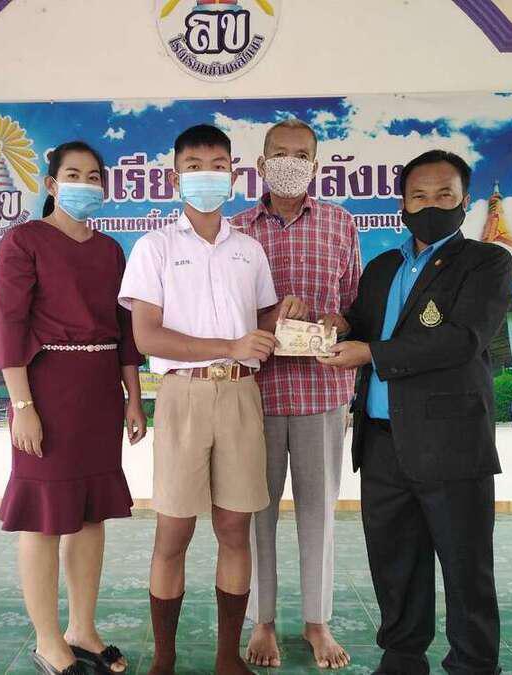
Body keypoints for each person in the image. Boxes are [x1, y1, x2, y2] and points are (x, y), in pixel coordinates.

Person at [119, 124, 307, 675]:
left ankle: (229, 658)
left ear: (233, 174)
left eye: (218, 165)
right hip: (183, 395)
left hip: (242, 395)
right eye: (194, 166)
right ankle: (165, 659)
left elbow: (258, 323)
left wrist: (282, 316)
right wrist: (229, 344)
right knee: (173, 531)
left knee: (233, 529)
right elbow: (147, 337)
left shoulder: (249, 250)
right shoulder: (154, 247)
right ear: (174, 176)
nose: (207, 175)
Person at [319, 150, 512, 675]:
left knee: (465, 563)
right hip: (382, 441)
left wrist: (371, 353)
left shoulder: (486, 263)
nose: (431, 206)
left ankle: (474, 663)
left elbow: (462, 339)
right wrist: (336, 325)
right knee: (394, 561)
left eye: (445, 196)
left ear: (465, 201)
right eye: (419, 196)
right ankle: (403, 656)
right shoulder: (383, 267)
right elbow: (363, 324)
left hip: (451, 442)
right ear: (402, 205)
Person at [0, 141, 148, 675]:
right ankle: (48, 640)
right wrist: (21, 405)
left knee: (91, 514)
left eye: (94, 176)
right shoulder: (23, 241)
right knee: (44, 519)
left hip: (100, 394)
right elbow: (9, 324)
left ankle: (83, 629)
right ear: (52, 185)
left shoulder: (111, 251)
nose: (85, 184)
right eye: (74, 175)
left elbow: (124, 331)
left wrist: (134, 398)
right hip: (45, 392)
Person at [230, 118, 361, 670]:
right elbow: (223, 316)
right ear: (261, 164)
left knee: (319, 513)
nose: (290, 162)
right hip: (253, 395)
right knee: (254, 513)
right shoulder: (235, 230)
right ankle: (261, 620)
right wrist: (268, 318)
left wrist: (336, 320)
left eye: (301, 154)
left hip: (321, 392)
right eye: (280, 154)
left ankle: (316, 621)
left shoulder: (339, 223)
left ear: (315, 163)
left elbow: (354, 307)